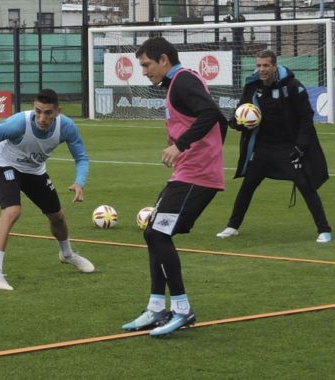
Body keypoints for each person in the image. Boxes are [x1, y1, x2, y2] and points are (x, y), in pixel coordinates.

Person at [121, 37, 226, 337]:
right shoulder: (176, 84)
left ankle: (182, 308)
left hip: (197, 176)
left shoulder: (182, 82)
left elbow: (212, 114)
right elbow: (217, 122)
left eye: (146, 65)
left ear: (163, 59)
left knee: (157, 233)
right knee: (153, 233)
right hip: (187, 173)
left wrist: (182, 146)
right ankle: (156, 307)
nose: (144, 72)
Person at [0, 89, 95, 292]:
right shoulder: (18, 123)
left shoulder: (66, 127)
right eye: (38, 111)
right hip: (4, 165)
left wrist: (79, 182)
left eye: (48, 113)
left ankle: (67, 254)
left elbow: (81, 157)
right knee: (12, 211)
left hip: (34, 170)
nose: (42, 118)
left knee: (57, 217)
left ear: (58, 111)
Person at [216, 50, 331, 243]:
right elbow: (241, 111)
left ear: (274, 66)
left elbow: (306, 118)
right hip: (262, 148)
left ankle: (324, 230)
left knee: (305, 185)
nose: (262, 69)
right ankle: (232, 226)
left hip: (288, 147)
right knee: (247, 186)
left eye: (266, 66)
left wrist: (301, 147)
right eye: (259, 65)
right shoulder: (252, 85)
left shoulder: (293, 86)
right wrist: (237, 122)